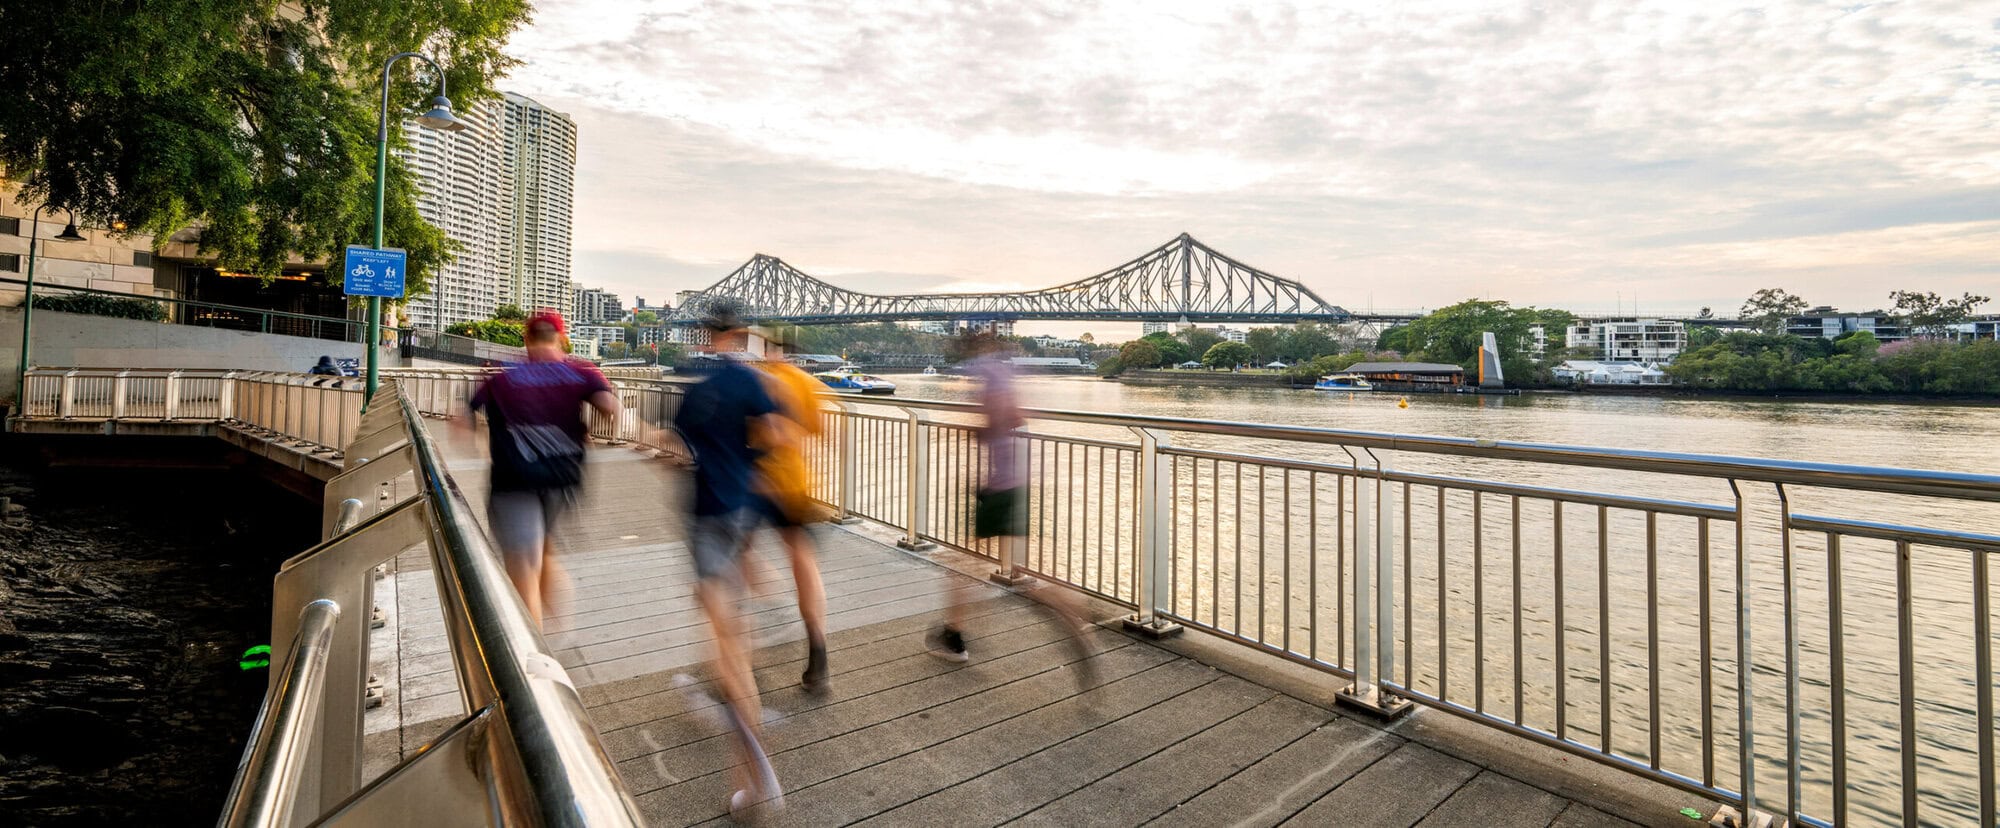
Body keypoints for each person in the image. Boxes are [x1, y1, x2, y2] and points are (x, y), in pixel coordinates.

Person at [671, 302, 785, 815]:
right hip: (742, 512)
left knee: (726, 642)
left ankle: (753, 773)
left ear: (706, 334)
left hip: (706, 513)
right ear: (738, 335)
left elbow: (678, 447)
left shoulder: (697, 390)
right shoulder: (751, 383)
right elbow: (777, 436)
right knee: (730, 623)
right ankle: (751, 773)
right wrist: (750, 458)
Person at [930, 335, 1093, 681]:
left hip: (1000, 486)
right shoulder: (1005, 370)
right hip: (1020, 480)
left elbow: (1001, 414)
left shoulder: (988, 372)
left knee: (965, 560)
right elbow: (1017, 415)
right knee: (1018, 564)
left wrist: (978, 435)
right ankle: (1074, 612)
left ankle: (954, 636)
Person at [466, 311, 619, 626]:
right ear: (561, 338)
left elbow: (462, 417)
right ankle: (555, 617)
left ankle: (533, 646)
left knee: (524, 562)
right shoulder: (581, 373)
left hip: (514, 480)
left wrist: (478, 440)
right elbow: (610, 408)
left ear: (526, 340)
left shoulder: (502, 377)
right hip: (563, 481)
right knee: (542, 544)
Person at [749, 357, 833, 693]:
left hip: (757, 482)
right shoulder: (803, 381)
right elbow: (820, 429)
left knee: (737, 552)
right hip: (795, 483)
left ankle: (761, 613)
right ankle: (817, 645)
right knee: (803, 560)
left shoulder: (756, 380)